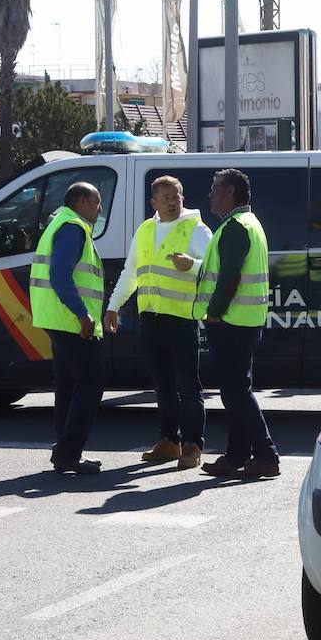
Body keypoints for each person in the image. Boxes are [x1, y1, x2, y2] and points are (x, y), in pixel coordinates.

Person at [104, 175, 213, 470]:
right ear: (153, 202)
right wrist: (113, 307)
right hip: (150, 319)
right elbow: (131, 272)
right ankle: (169, 441)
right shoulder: (145, 230)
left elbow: (216, 269)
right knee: (162, 385)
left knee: (188, 386)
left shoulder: (196, 229)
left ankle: (192, 445)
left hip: (181, 319)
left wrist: (193, 265)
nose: (173, 202)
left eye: (177, 196)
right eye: (166, 197)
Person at [195, 168, 280, 479]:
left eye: (215, 188)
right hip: (242, 320)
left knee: (236, 393)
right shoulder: (246, 223)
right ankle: (236, 455)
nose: (210, 194)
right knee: (236, 391)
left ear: (230, 191)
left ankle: (267, 455)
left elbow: (230, 278)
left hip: (232, 321)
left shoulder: (236, 227)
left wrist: (214, 312)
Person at [28, 183, 107, 475]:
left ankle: (64, 448)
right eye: (97, 202)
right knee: (91, 382)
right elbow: (60, 275)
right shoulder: (73, 227)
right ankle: (68, 452)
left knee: (68, 385)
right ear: (82, 202)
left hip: (57, 318)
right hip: (70, 320)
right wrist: (82, 314)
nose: (100, 209)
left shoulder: (60, 223)